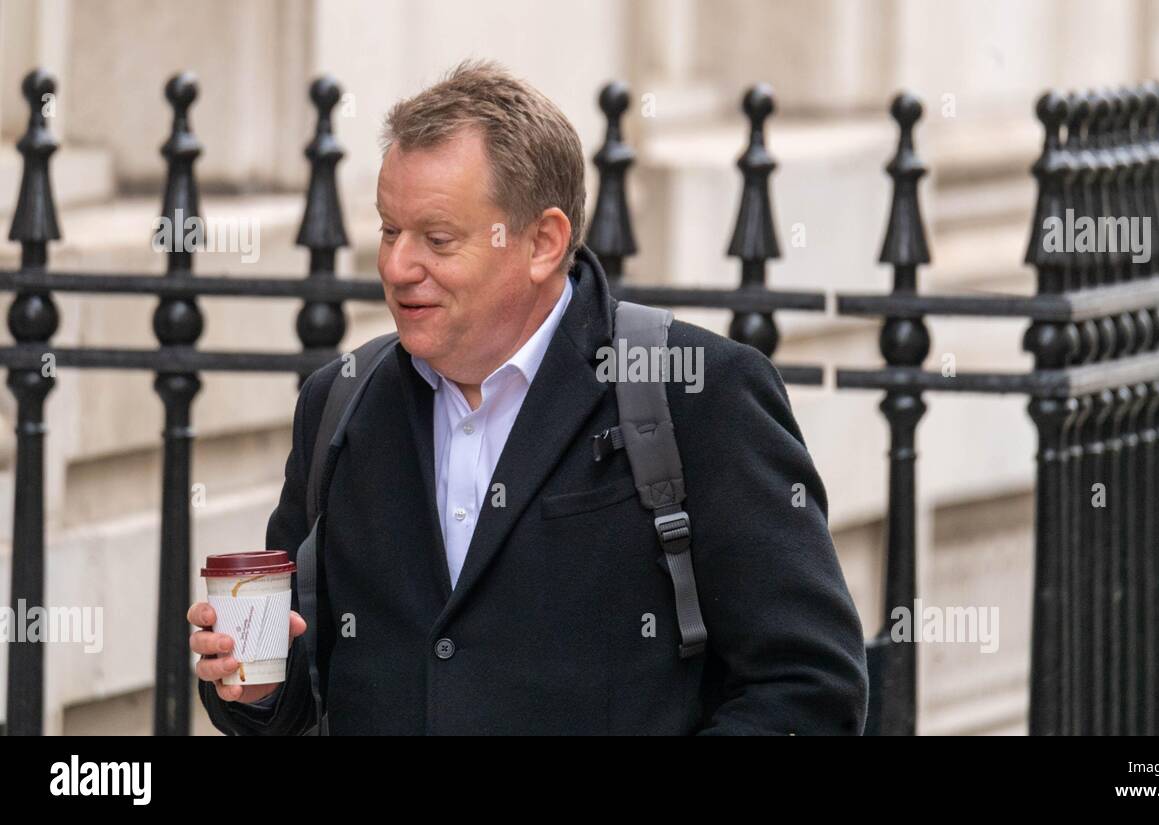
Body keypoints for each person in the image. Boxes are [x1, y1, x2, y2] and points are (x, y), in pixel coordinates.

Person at [188, 59, 867, 735]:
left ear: (542, 242)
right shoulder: (338, 405)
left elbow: (811, 687)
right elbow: (302, 685)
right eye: (390, 230)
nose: (396, 266)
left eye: (437, 238)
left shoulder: (699, 393)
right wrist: (254, 682)